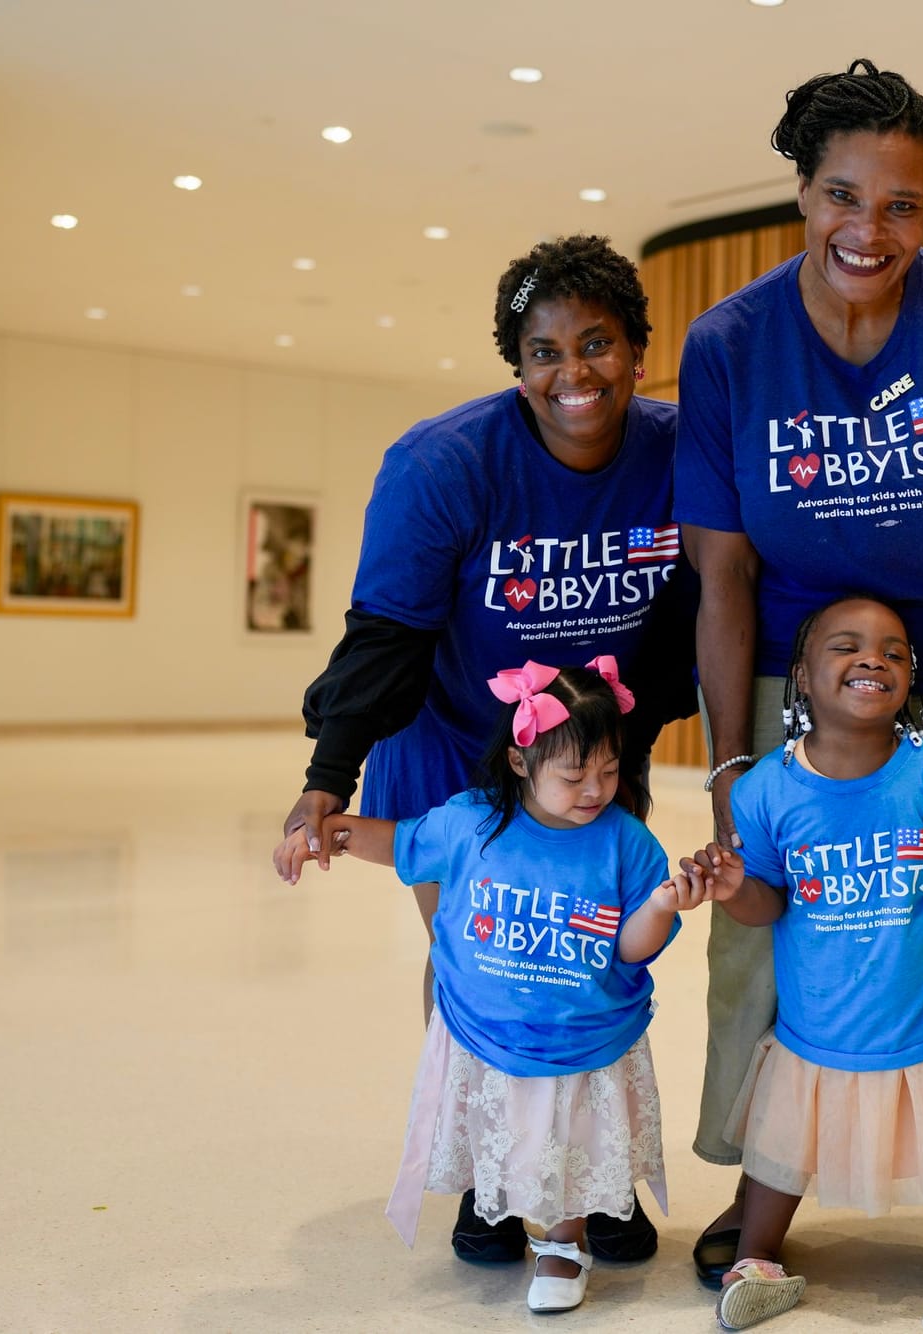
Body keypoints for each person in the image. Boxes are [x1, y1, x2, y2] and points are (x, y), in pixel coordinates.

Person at [673, 59, 923, 1307]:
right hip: (795, 679)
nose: (868, 231)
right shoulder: (729, 343)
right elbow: (720, 576)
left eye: (901, 205)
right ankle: (760, 1180)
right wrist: (730, 768)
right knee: (765, 928)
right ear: (800, 192)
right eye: (843, 196)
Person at [283, 234, 691, 1264]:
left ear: (639, 349)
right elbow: (384, 631)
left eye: (597, 342)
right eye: (543, 350)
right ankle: (491, 1181)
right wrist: (324, 781)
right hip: (456, 748)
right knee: (485, 965)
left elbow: (709, 612)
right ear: (516, 363)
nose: (573, 373)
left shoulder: (682, 451)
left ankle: (596, 1181)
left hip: (590, 758)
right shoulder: (444, 461)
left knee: (597, 957)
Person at [273, 661, 709, 1314]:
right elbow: (398, 842)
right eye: (574, 774)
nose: (595, 789)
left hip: (579, 1037)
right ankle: (494, 1203)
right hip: (488, 1029)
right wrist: (327, 834)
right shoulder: (472, 822)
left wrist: (664, 906)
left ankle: (565, 1242)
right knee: (502, 1125)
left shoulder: (626, 842)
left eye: (609, 771)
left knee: (569, 1138)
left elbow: (631, 948)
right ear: (518, 760)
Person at [678, 597, 923, 1334]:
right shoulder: (764, 791)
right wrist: (732, 886)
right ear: (800, 678)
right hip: (823, 1016)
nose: (875, 659)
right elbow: (768, 904)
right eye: (847, 647)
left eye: (895, 653)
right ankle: (759, 1263)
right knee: (781, 1144)